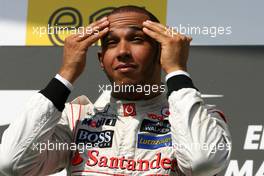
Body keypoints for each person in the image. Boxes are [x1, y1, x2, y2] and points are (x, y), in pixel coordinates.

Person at [0, 5, 231, 176]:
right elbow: (11, 163)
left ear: (162, 53)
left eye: (136, 39)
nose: (122, 51)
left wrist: (177, 70)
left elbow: (204, 162)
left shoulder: (202, 119)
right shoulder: (76, 118)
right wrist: (65, 74)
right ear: (101, 60)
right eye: (111, 42)